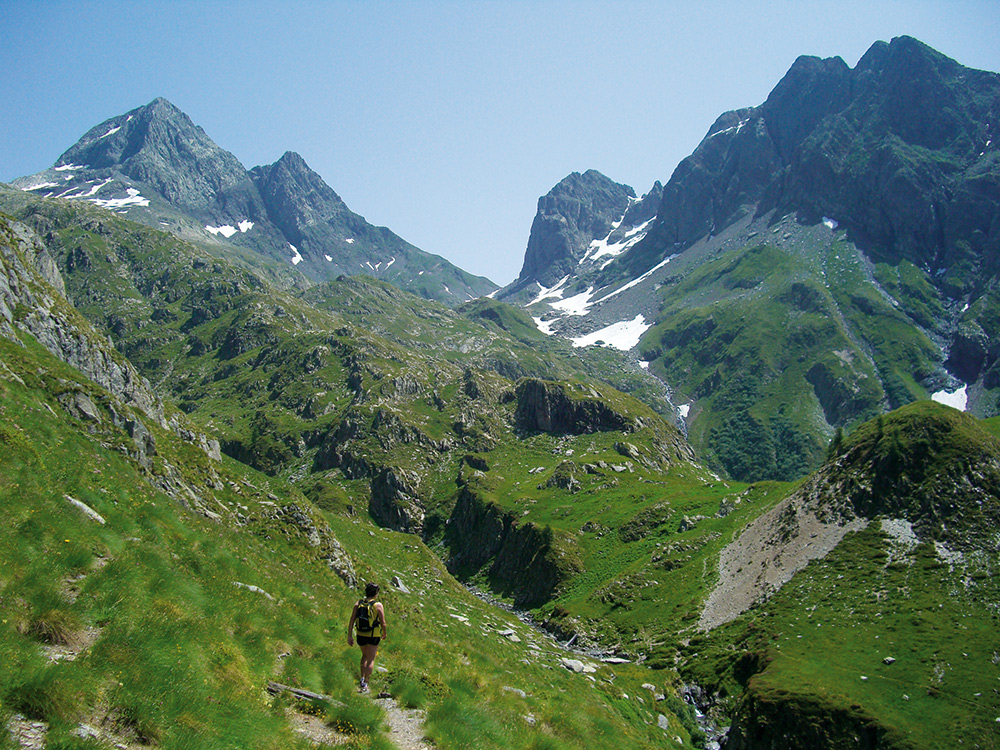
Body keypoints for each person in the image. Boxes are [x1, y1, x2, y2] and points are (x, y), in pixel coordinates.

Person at [347, 582, 386, 693]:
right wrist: (384, 633)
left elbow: (352, 620)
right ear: (376, 593)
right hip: (373, 635)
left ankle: (362, 678)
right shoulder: (378, 605)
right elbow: (383, 623)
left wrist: (349, 635)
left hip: (360, 634)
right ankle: (365, 683)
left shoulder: (358, 603)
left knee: (364, 655)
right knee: (371, 659)